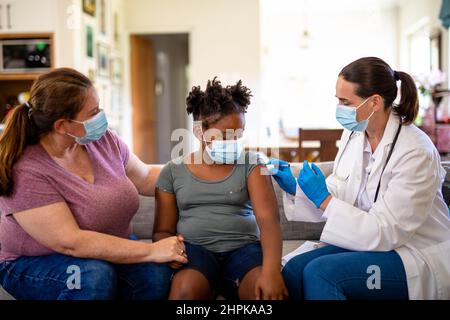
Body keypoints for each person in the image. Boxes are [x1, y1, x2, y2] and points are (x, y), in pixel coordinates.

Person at [270, 57, 450, 300]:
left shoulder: (415, 151)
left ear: (375, 102)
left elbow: (386, 232)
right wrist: (299, 190)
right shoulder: (355, 135)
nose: (339, 109)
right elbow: (343, 187)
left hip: (412, 251)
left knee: (320, 273)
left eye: (346, 102)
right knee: (293, 270)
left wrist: (323, 199)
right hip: (371, 240)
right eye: (338, 100)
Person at [0, 68, 187, 300]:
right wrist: (151, 250)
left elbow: (146, 176)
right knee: (92, 276)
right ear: (62, 125)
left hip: (108, 248)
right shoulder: (26, 169)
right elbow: (71, 242)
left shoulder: (103, 139)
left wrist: (195, 173)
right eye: (94, 111)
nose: (101, 116)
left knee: (156, 275)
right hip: (34, 262)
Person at [153, 78, 288, 300]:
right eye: (225, 136)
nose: (233, 142)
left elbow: (269, 222)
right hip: (195, 253)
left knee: (264, 294)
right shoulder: (172, 171)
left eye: (238, 134)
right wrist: (171, 252)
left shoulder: (252, 164)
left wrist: (271, 272)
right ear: (199, 132)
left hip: (244, 252)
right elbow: (162, 231)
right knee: (184, 291)